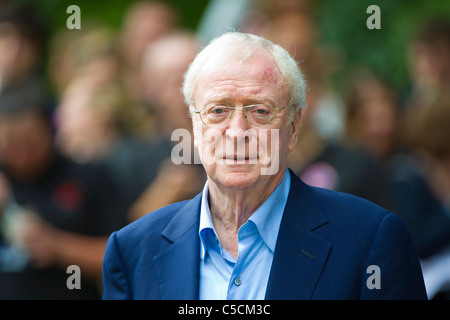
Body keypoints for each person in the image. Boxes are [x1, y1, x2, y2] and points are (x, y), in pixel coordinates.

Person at [102, 32, 427, 300]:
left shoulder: (371, 240)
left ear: (294, 126)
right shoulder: (133, 251)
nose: (238, 132)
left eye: (260, 111)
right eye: (218, 111)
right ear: (195, 127)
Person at [0, 84, 127, 299]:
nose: (22, 155)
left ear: (50, 129)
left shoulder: (89, 176)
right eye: (11, 145)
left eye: (31, 143)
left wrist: (57, 247)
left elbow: (122, 255)